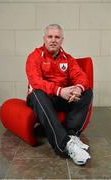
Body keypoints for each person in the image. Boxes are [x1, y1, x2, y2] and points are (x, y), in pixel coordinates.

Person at [26, 24, 93, 166]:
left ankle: (71, 134)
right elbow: (36, 81)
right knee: (37, 93)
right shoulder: (34, 57)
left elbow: (81, 76)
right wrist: (59, 91)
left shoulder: (67, 59)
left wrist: (78, 89)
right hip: (40, 98)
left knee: (87, 91)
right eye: (50, 37)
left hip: (59, 98)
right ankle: (64, 145)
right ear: (44, 39)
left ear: (62, 40)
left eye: (57, 37)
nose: (53, 40)